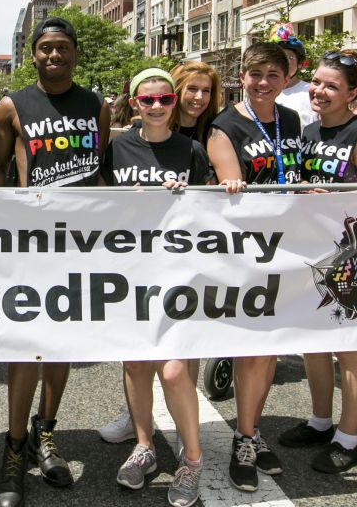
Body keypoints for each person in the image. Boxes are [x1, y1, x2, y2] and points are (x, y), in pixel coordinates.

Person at [0, 16, 110, 507]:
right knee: (26, 344)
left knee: (60, 344)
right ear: (33, 53)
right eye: (45, 48)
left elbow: (100, 171)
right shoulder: (13, 105)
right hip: (31, 241)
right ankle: (14, 449)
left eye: (63, 47)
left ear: (75, 53)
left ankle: (45, 432)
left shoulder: (96, 105)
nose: (54, 55)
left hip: (80, 242)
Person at [278, 50, 357, 473]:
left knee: (350, 349)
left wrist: (334, 198)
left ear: (352, 94)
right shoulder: (308, 131)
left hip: (355, 258)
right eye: (317, 82)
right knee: (313, 345)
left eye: (332, 86)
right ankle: (320, 421)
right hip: (312, 252)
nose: (320, 91)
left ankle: (348, 439)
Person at [101, 67, 211, 507]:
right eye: (147, 100)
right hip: (131, 271)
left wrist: (185, 196)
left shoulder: (192, 149)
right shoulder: (117, 148)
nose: (157, 106)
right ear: (134, 103)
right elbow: (101, 205)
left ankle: (193, 460)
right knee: (135, 364)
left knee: (174, 370)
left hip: (179, 273)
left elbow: (211, 214)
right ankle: (144, 445)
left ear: (174, 101)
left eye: (165, 99)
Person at [206, 42, 302, 493]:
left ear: (287, 79)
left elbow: (295, 175)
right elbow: (234, 187)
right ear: (242, 76)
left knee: (268, 351)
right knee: (252, 349)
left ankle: (251, 428)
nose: (264, 83)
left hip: (290, 249)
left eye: (273, 75)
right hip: (247, 253)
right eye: (256, 74)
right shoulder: (224, 126)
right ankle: (244, 440)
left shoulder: (292, 120)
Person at [268, 23, 317, 128]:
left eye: (290, 58)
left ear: (299, 64)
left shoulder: (311, 92)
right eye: (278, 58)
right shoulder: (263, 91)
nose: (284, 62)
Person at [171, 60, 221, 142]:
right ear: (178, 91)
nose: (199, 97)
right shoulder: (158, 130)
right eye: (192, 89)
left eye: (206, 90)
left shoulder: (216, 133)